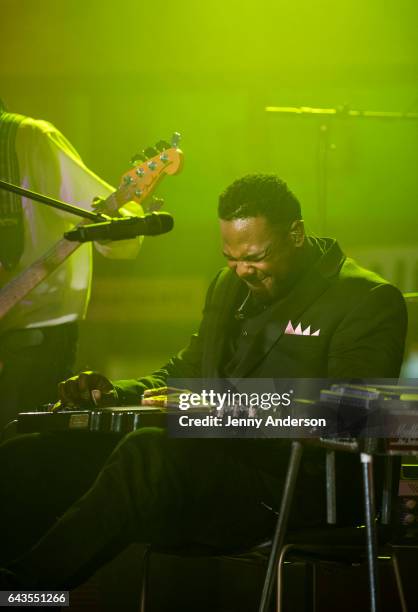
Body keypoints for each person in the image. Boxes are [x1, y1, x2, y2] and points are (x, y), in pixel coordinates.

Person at [1, 173, 407, 590]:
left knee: (149, 455)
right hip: (207, 471)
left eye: (256, 256)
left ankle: (22, 593)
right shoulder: (227, 285)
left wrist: (223, 408)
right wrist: (110, 392)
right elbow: (186, 375)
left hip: (302, 493)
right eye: (231, 257)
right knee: (31, 457)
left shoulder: (365, 299)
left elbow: (355, 414)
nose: (242, 270)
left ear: (297, 234)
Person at [0, 101, 142, 428]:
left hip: (33, 349)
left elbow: (116, 230)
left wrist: (118, 219)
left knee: (24, 459)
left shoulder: (28, 139)